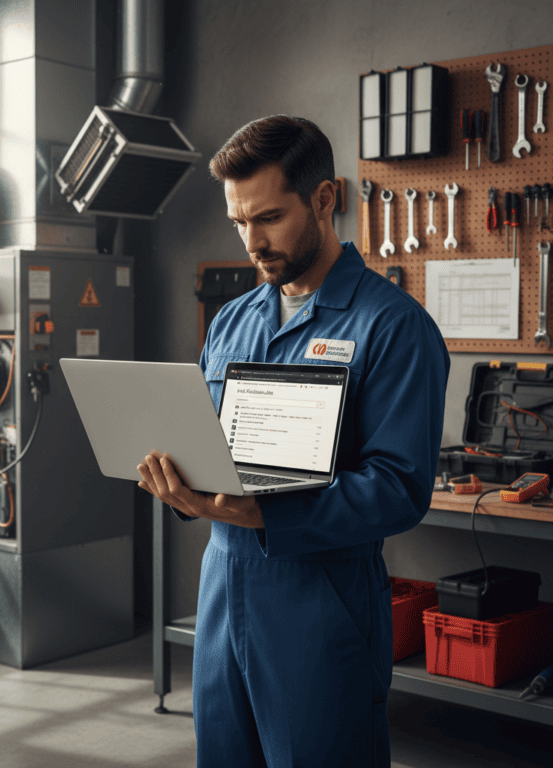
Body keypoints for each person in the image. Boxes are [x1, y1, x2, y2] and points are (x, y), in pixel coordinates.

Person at [137, 115, 449, 768]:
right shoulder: (233, 320)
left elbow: (398, 489)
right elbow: (207, 442)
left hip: (322, 608)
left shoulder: (394, 328)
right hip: (223, 596)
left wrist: (266, 510)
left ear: (325, 199)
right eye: (239, 223)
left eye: (269, 218)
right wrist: (179, 484)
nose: (252, 242)